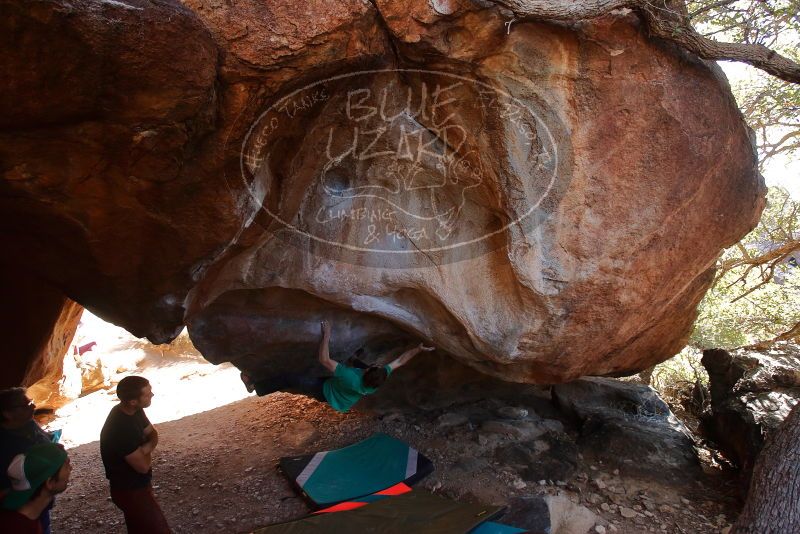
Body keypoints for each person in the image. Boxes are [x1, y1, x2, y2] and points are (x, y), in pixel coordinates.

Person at [241, 320, 435, 412]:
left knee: (290, 378)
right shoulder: (379, 377)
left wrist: (327, 334)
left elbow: (324, 360)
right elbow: (400, 361)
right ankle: (352, 360)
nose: (376, 366)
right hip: (341, 393)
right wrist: (418, 349)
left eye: (370, 367)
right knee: (351, 362)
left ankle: (255, 387)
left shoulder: (351, 377)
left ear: (365, 373)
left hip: (325, 391)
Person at [100, 376, 170, 534]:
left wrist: (144, 450)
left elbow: (153, 434)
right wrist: (147, 449)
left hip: (137, 486)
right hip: (130, 491)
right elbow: (143, 467)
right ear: (133, 401)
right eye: (147, 394)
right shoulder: (120, 428)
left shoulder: (135, 410)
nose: (152, 395)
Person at [0, 388, 57, 533]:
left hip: (41, 501)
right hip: (20, 510)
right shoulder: (4, 445)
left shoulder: (29, 425)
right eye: (26, 404)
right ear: (7, 414)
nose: (33, 406)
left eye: (31, 402)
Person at [0, 442, 71, 534]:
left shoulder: (19, 515)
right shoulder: (18, 528)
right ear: (49, 483)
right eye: (66, 466)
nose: (71, 468)